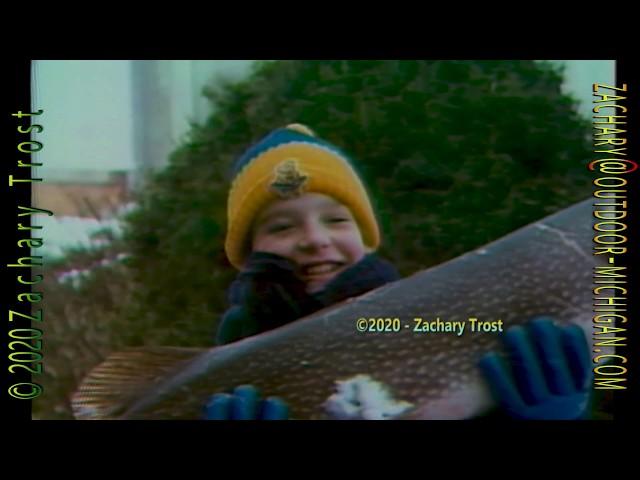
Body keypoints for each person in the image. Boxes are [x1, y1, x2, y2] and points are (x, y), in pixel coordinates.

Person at [216, 123, 400, 346]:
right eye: (282, 227)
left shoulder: (407, 313)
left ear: (364, 238)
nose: (315, 239)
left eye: (336, 220)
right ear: (249, 252)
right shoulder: (239, 332)